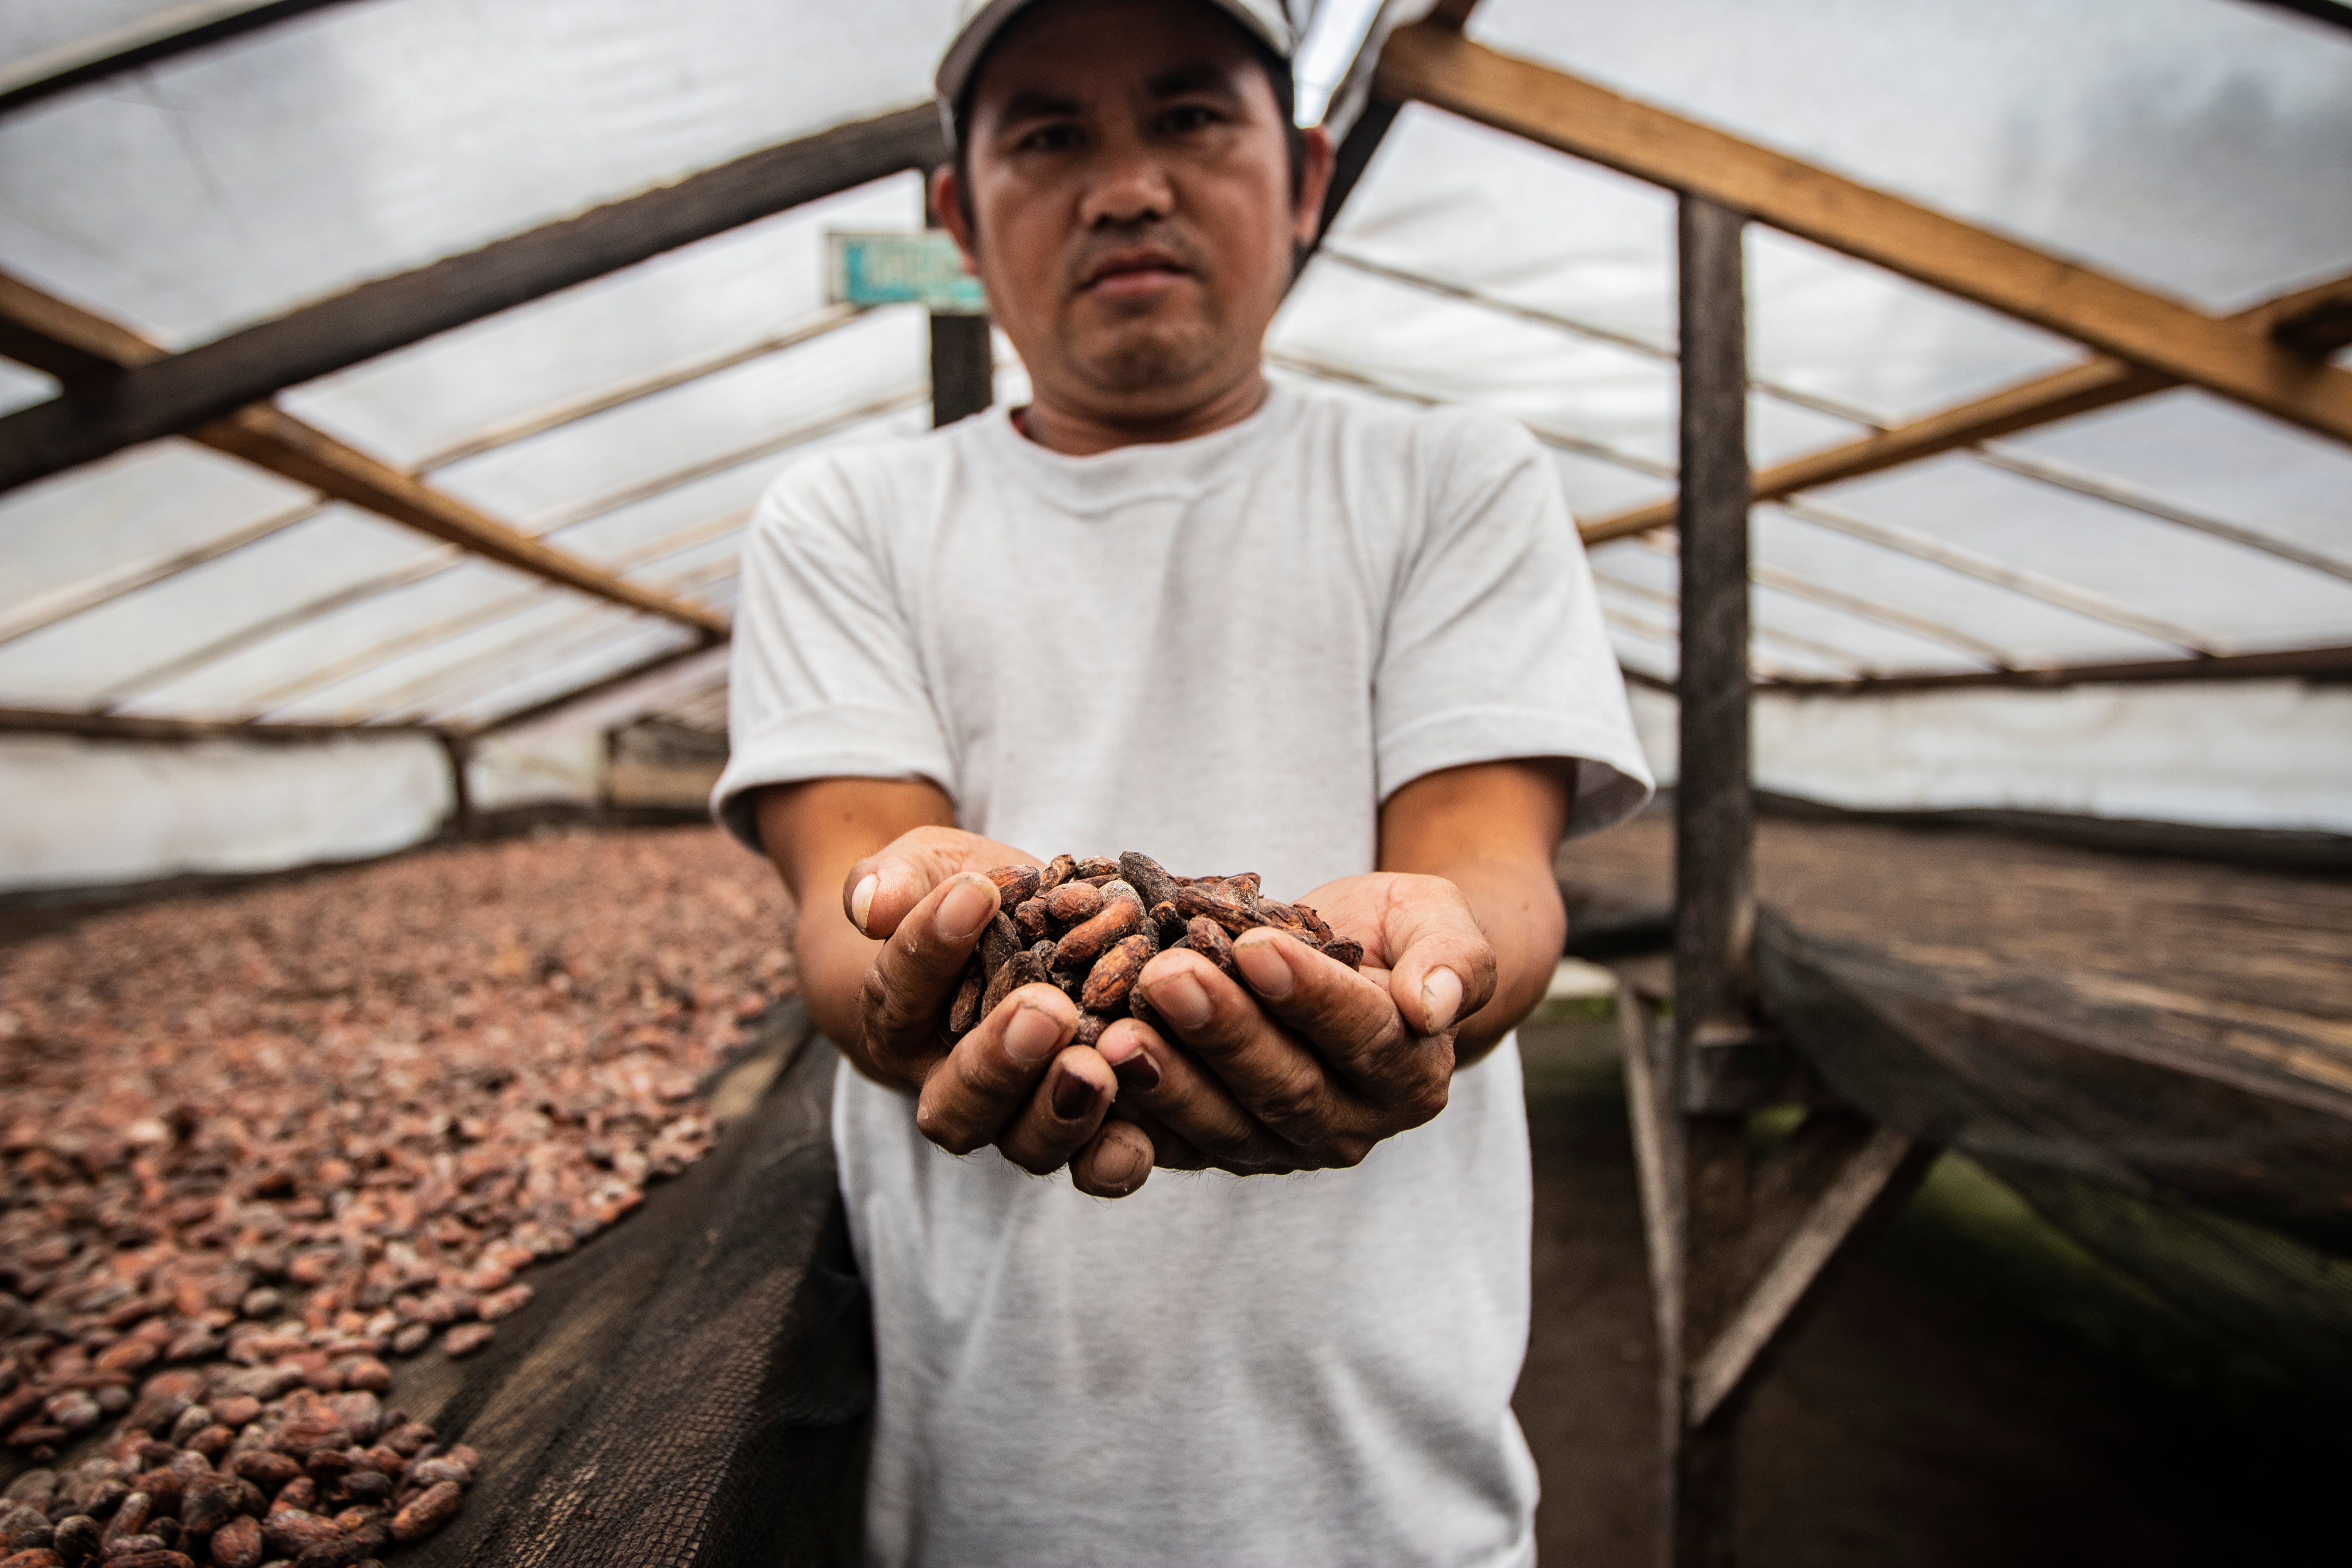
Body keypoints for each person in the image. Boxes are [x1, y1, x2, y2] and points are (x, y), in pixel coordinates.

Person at [714, 0, 1653, 1560]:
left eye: (1191, 118)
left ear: (1302, 175)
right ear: (958, 217)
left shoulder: (1452, 482)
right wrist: (914, 939)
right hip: (995, 1485)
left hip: (1393, 1496)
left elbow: (1488, 868)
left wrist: (1428, 966)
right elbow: (853, 884)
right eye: (1051, 136)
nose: (1128, 186)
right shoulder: (848, 518)